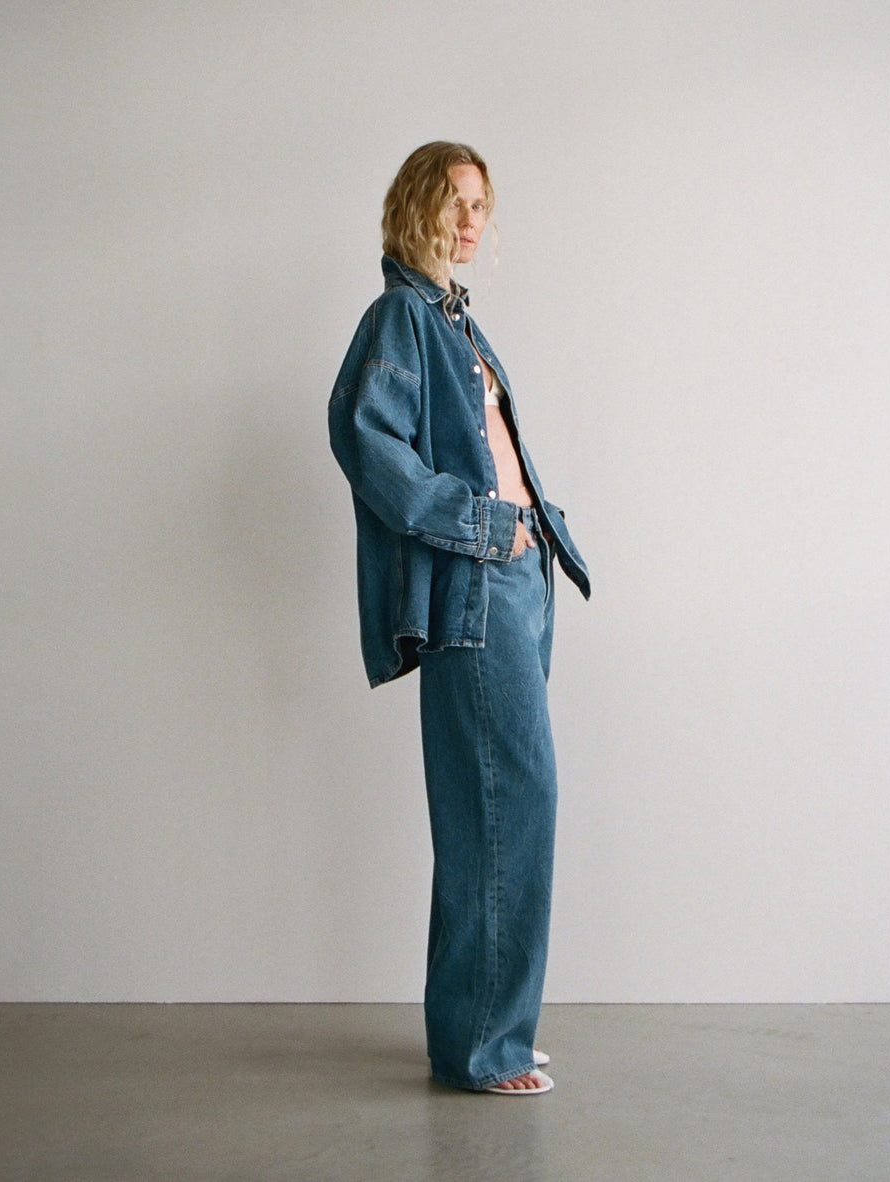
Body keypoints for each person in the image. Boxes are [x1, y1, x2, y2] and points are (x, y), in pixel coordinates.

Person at [328, 142, 590, 1094]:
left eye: (482, 203)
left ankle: (488, 1025)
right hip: (476, 587)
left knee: (501, 806)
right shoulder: (401, 315)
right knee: (506, 806)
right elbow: (365, 439)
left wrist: (529, 537)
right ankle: (488, 1045)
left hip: (518, 583)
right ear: (416, 206)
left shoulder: (455, 322)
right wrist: (485, 525)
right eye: (454, 202)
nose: (471, 220)